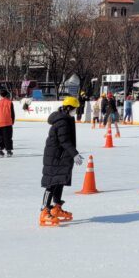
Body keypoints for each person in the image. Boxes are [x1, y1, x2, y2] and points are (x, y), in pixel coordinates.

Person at [40, 96, 83, 226]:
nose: (76, 111)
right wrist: (74, 154)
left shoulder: (67, 118)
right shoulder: (62, 121)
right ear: (68, 108)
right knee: (52, 183)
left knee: (60, 181)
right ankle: (44, 211)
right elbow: (64, 140)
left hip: (62, 155)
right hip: (55, 156)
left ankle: (56, 208)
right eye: (75, 109)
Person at [0, 89, 15, 157]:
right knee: (8, 137)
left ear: (0, 95)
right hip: (8, 122)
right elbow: (12, 113)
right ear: (7, 95)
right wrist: (12, 121)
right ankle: (8, 150)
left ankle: (0, 150)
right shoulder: (9, 102)